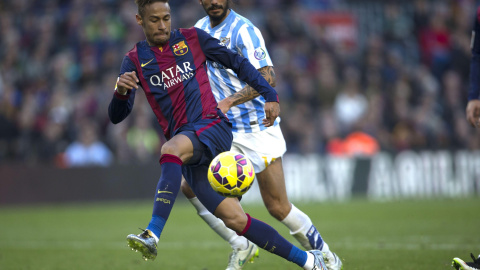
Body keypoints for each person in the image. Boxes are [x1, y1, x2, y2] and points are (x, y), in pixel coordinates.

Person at [108, 0, 327, 269]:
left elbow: (238, 63)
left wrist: (271, 94)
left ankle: (152, 233)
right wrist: (121, 91)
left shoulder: (192, 39)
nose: (163, 25)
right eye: (154, 20)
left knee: (169, 151)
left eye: (166, 17)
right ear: (140, 20)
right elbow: (117, 115)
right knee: (236, 220)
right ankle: (310, 261)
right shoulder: (133, 60)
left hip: (212, 126)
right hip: (188, 145)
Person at [179, 1, 342, 270]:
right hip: (224, 132)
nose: (214, 1)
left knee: (278, 207)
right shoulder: (198, 30)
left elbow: (268, 76)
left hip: (257, 129)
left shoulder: (244, 30)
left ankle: (325, 255)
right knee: (190, 185)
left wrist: (230, 100)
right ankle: (241, 244)